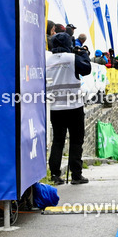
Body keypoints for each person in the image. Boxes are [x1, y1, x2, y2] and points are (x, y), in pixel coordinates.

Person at [46, 31, 92, 185]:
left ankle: (54, 175)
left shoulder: (46, 60)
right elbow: (86, 69)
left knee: (58, 141)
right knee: (76, 141)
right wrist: (83, 54)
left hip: (55, 107)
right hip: (74, 107)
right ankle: (76, 175)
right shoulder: (73, 58)